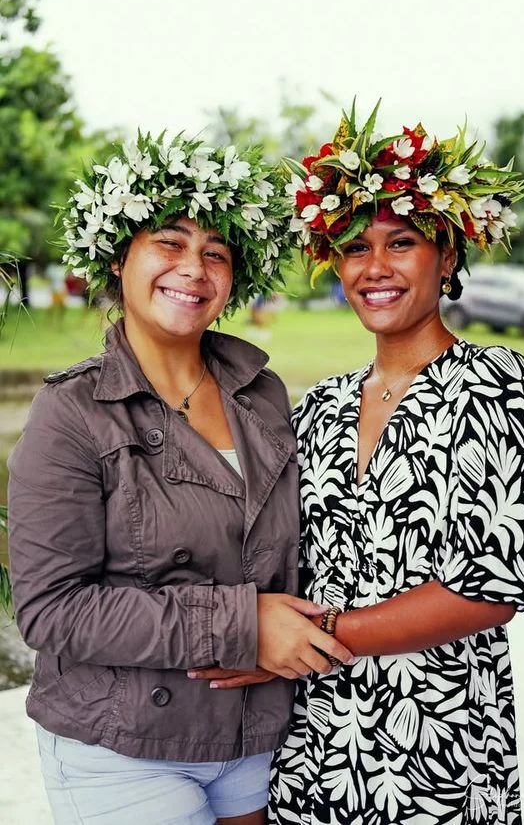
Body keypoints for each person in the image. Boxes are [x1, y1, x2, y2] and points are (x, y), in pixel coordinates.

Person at [196, 104, 524, 825]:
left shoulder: (495, 380)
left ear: (449, 255)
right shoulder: (320, 407)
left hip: (440, 747)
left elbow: (491, 588)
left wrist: (299, 639)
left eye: (401, 243)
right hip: (313, 752)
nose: (374, 268)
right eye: (356, 248)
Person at [8, 133, 352, 825]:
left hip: (253, 735)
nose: (194, 268)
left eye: (216, 253)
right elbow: (52, 610)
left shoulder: (262, 394)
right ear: (118, 259)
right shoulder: (71, 412)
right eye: (170, 243)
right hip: (124, 745)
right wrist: (241, 625)